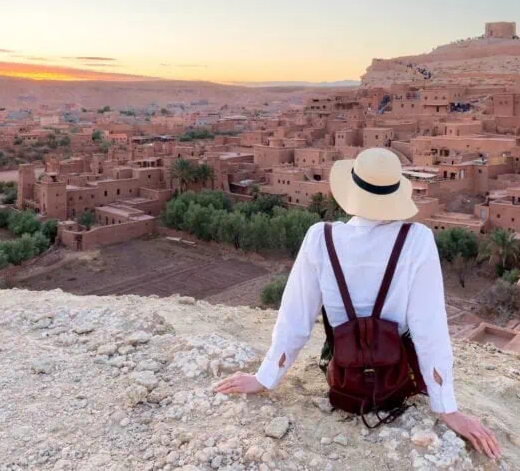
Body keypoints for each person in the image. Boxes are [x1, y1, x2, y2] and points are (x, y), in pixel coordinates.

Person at [214, 148, 500, 460]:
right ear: (396, 194)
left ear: (352, 191)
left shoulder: (319, 238)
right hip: (396, 384)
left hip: (343, 383)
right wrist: (446, 408)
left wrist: (264, 378)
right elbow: (428, 328)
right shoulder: (417, 239)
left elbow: (295, 319)